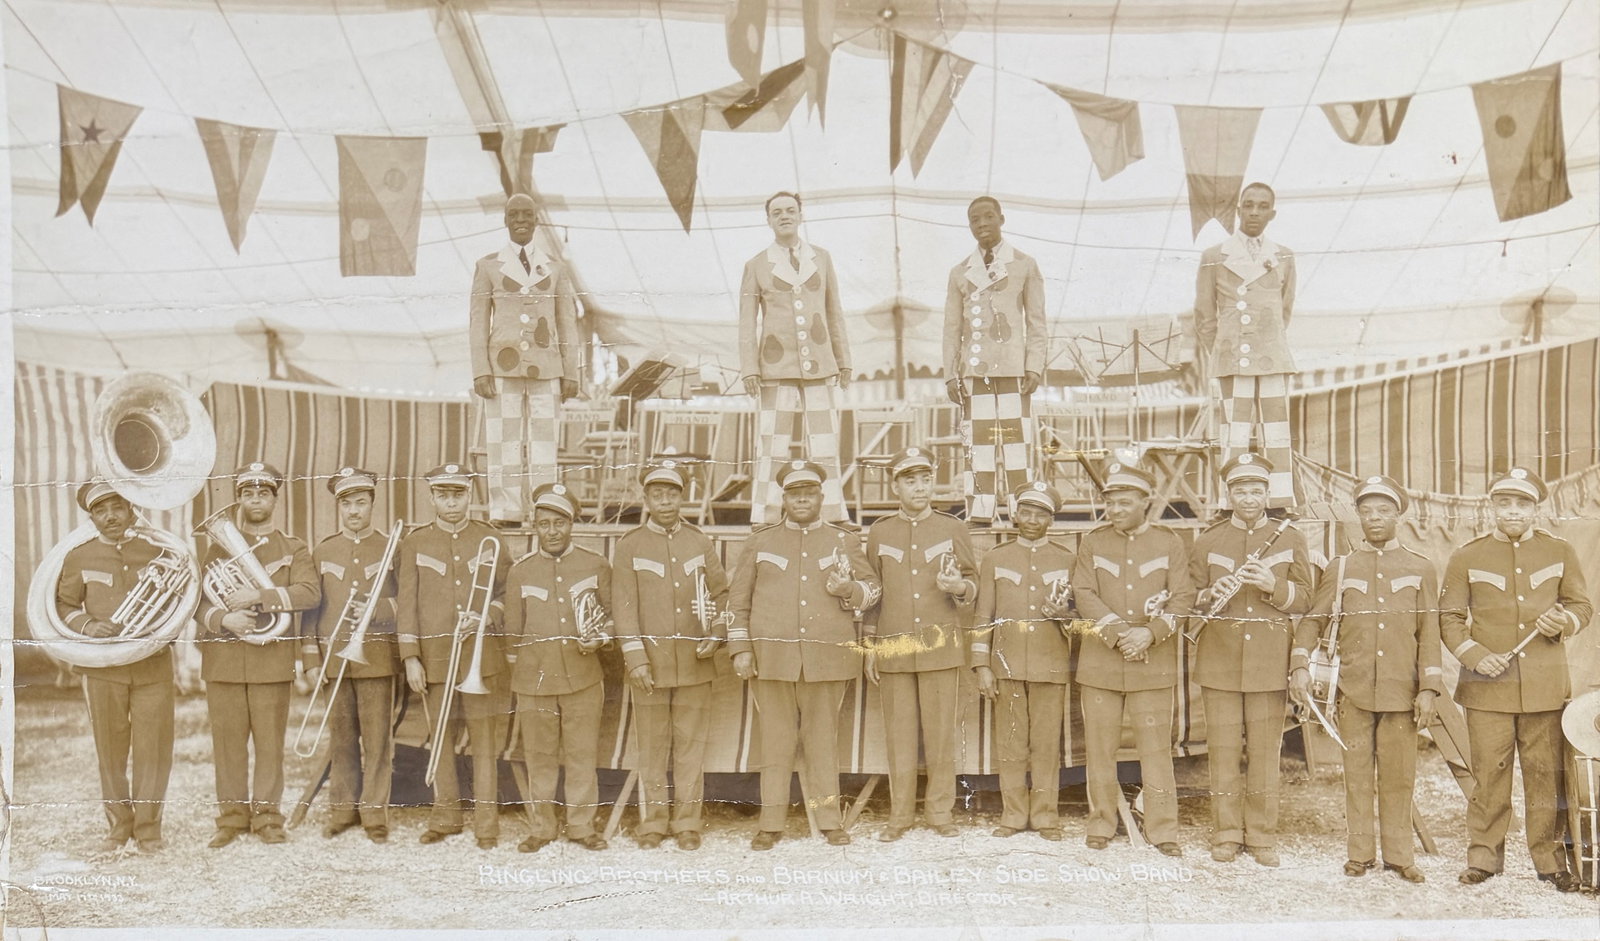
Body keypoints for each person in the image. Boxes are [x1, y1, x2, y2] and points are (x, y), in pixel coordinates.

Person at [1440, 467, 1591, 892]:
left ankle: (1549, 861)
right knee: (1489, 775)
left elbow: (1582, 607)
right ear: (1492, 507)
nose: (1513, 511)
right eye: (1504, 502)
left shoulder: (1559, 551)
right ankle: (1484, 859)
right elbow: (1449, 618)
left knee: (1545, 776)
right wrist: (1475, 656)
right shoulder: (1466, 556)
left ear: (1535, 508)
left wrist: (1563, 622)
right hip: (1486, 688)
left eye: (1522, 503)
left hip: (1544, 687)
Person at [1290, 475, 1442, 883]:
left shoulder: (1420, 567)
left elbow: (1429, 634)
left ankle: (1399, 856)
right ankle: (1360, 854)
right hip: (1352, 691)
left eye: (1384, 510)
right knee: (1356, 776)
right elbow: (1313, 619)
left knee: (1398, 777)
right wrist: (1300, 664)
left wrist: (1429, 688)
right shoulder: (1341, 568)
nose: (1375, 518)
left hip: (1401, 692)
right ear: (1357, 515)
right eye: (1367, 511)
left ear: (1398, 514)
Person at [727, 461, 879, 849]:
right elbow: (737, 602)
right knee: (775, 743)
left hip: (827, 660)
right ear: (784, 499)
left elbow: (873, 590)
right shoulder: (760, 542)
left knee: (823, 743)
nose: (802, 500)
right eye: (795, 494)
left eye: (809, 493)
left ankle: (829, 822)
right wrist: (741, 648)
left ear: (821, 498)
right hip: (771, 661)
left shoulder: (842, 541)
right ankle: (771, 823)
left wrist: (849, 590)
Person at [1189, 453, 1311, 866]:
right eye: (1240, 490)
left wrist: (1274, 585)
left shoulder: (1289, 537)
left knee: (1264, 753)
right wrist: (1209, 594)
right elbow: (1189, 598)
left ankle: (1260, 836)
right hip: (1219, 660)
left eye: (1256, 490)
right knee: (1222, 752)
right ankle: (1226, 833)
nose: (1248, 497)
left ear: (1267, 492)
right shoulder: (1208, 540)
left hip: (1268, 660)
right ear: (1229, 494)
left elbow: (1307, 599)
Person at [1071, 464, 1196, 857]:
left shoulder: (1170, 542)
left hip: (1150, 662)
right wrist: (1119, 633)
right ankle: (1101, 823)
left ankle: (1163, 830)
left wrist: (1150, 633)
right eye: (1109, 502)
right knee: (1099, 749)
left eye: (1124, 502)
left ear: (1146, 502)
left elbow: (1183, 597)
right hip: (1102, 662)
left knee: (1156, 750)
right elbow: (1083, 592)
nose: (1115, 509)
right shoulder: (1093, 542)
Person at [196, 462, 321, 849]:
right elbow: (197, 602)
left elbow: (309, 593)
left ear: (274, 498)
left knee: (269, 745)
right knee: (228, 744)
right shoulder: (215, 549)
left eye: (263, 492)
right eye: (248, 493)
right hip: (225, 661)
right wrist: (223, 618)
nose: (255, 499)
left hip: (271, 660)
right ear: (239, 498)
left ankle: (267, 818)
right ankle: (231, 818)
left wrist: (259, 597)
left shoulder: (293, 547)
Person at [612, 458, 731, 849]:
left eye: (672, 494)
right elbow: (623, 609)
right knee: (651, 748)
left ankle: (687, 824)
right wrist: (637, 660)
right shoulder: (629, 546)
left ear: (683, 496)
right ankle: (653, 824)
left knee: (690, 748)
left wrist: (716, 633)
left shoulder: (699, 541)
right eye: (657, 494)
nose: (665, 502)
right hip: (651, 667)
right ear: (645, 497)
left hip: (696, 664)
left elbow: (721, 593)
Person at [54, 478, 177, 854]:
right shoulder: (79, 556)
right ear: (91, 518)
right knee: (110, 750)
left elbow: (178, 598)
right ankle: (119, 826)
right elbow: (64, 606)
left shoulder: (158, 551)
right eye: (100, 510)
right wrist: (88, 626)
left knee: (153, 749)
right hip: (103, 668)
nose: (110, 516)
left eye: (117, 507)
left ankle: (149, 830)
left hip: (152, 666)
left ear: (130, 509)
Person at [864, 446, 977, 841]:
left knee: (941, 736)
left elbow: (972, 584)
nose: (919, 487)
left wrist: (959, 586)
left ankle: (940, 813)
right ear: (895, 485)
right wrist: (870, 645)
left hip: (940, 648)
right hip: (894, 649)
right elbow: (873, 594)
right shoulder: (880, 531)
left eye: (925, 478)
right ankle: (899, 816)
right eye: (910, 480)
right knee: (899, 737)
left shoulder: (952, 528)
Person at [396, 463, 509, 849]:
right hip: (435, 659)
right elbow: (406, 605)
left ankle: (487, 824)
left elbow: (507, 594)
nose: (451, 502)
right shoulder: (414, 542)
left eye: (458, 494)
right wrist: (411, 656)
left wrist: (487, 615)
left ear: (470, 495)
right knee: (440, 740)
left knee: (484, 742)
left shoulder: (489, 538)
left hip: (481, 658)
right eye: (443, 495)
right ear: (431, 498)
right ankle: (446, 817)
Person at [502, 483, 610, 853]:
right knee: (540, 756)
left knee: (582, 754)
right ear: (534, 526)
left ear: (571, 524)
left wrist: (600, 638)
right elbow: (513, 634)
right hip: (535, 680)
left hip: (583, 677)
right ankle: (542, 827)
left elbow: (613, 617)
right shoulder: (521, 572)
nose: (552, 531)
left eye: (559, 523)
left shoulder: (595, 565)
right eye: (544, 523)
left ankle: (581, 826)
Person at [739, 191, 853, 526]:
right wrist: (749, 368)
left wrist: (843, 359)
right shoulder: (756, 265)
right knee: (772, 442)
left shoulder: (822, 258)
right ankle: (765, 513)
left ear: (801, 215)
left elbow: (835, 311)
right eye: (777, 212)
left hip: (819, 363)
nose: (784, 216)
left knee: (825, 442)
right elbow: (747, 322)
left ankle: (834, 512)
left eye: (790, 210)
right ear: (769, 220)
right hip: (774, 367)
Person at [469, 192, 581, 525]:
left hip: (547, 367)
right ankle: (506, 511)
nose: (521, 220)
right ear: (505, 220)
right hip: (501, 366)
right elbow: (477, 320)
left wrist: (571, 372)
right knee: (502, 438)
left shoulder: (556, 268)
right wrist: (480, 370)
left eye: (527, 215)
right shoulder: (487, 266)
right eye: (514, 214)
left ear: (536, 220)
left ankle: (545, 508)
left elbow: (567, 321)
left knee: (545, 440)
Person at [972, 480, 1074, 842]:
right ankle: (1013, 815)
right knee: (1012, 745)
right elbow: (982, 614)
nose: (1031, 519)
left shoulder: (1067, 560)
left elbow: (1078, 621)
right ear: (1016, 515)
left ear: (1051, 519)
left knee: (1046, 747)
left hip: (1050, 665)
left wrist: (1064, 615)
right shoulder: (996, 559)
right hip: (1007, 665)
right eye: (1026, 512)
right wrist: (982, 666)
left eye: (1040, 514)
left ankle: (1046, 817)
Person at [305, 467, 401, 844]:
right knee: (342, 737)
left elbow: (405, 599)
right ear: (338, 507)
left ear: (372, 504)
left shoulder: (390, 546)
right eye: (347, 503)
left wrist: (379, 609)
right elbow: (313, 609)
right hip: (334, 658)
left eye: (361, 502)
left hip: (376, 655)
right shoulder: (324, 549)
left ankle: (375, 814)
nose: (354, 510)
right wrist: (311, 660)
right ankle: (343, 811)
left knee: (378, 741)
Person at [1193, 182, 1299, 510]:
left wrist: (1267, 339)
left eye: (1262, 206)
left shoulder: (1283, 255)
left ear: (1272, 213)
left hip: (1272, 356)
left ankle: (1280, 501)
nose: (1254, 212)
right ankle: (1229, 503)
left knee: (1277, 432)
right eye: (1248, 205)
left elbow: (1285, 308)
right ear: (1238, 210)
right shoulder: (1214, 256)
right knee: (1234, 433)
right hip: (1232, 357)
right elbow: (1204, 313)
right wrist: (1224, 347)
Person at [942, 196, 1046, 526]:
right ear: (969, 225)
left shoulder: (1025, 264)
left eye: (988, 216)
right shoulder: (959, 271)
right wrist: (949, 375)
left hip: (1015, 369)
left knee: (1017, 442)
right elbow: (951, 329)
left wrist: (1034, 366)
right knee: (980, 442)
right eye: (974, 219)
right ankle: (981, 512)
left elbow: (1037, 322)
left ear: (1002, 218)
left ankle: (1022, 511)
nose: (982, 223)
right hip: (975, 372)